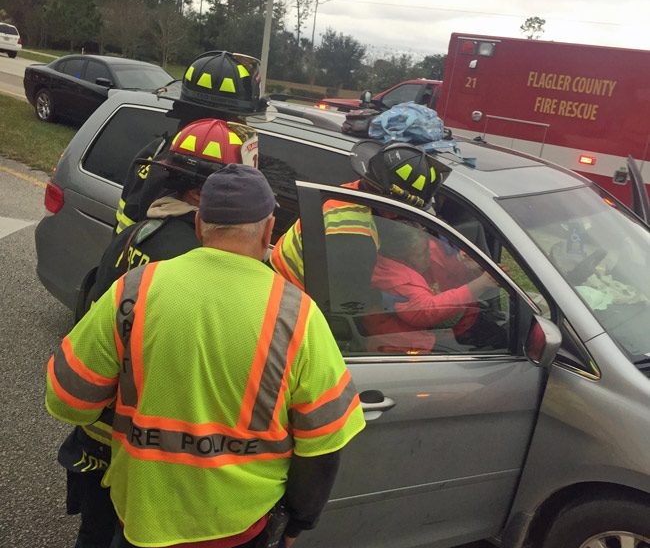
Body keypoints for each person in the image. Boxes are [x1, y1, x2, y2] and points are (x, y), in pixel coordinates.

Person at [46, 165, 366, 548]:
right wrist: (298, 523)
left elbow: (67, 400)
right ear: (269, 231)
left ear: (199, 224)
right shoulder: (298, 316)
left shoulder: (136, 289)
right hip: (241, 535)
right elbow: (323, 445)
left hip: (142, 527)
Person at [57, 117, 259, 548]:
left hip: (97, 431)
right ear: (198, 195)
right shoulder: (193, 264)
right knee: (125, 545)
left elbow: (89, 315)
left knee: (93, 541)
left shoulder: (137, 232)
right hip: (139, 447)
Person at [269, 139, 447, 312]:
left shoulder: (352, 192)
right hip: (291, 304)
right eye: (405, 210)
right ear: (393, 208)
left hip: (280, 284)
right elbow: (347, 307)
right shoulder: (354, 238)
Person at [115, 50, 265, 234]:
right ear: (219, 121)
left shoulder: (155, 151)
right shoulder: (197, 173)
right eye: (241, 119)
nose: (244, 126)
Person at [369, 220, 501, 353]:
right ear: (402, 258)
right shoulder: (397, 280)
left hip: (451, 326)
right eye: (422, 253)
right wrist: (481, 283)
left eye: (428, 249)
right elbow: (427, 312)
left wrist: (470, 267)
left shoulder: (416, 252)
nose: (429, 256)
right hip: (414, 345)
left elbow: (444, 266)